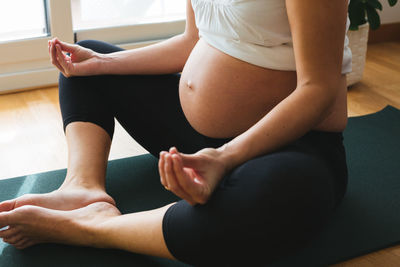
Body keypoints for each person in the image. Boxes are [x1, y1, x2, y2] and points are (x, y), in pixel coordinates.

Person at [0, 0, 352, 265]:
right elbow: (191, 42)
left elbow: (317, 89)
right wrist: (102, 63)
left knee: (268, 200)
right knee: (85, 69)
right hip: (197, 140)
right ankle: (82, 188)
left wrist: (225, 157)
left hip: (292, 147)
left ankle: (95, 228)